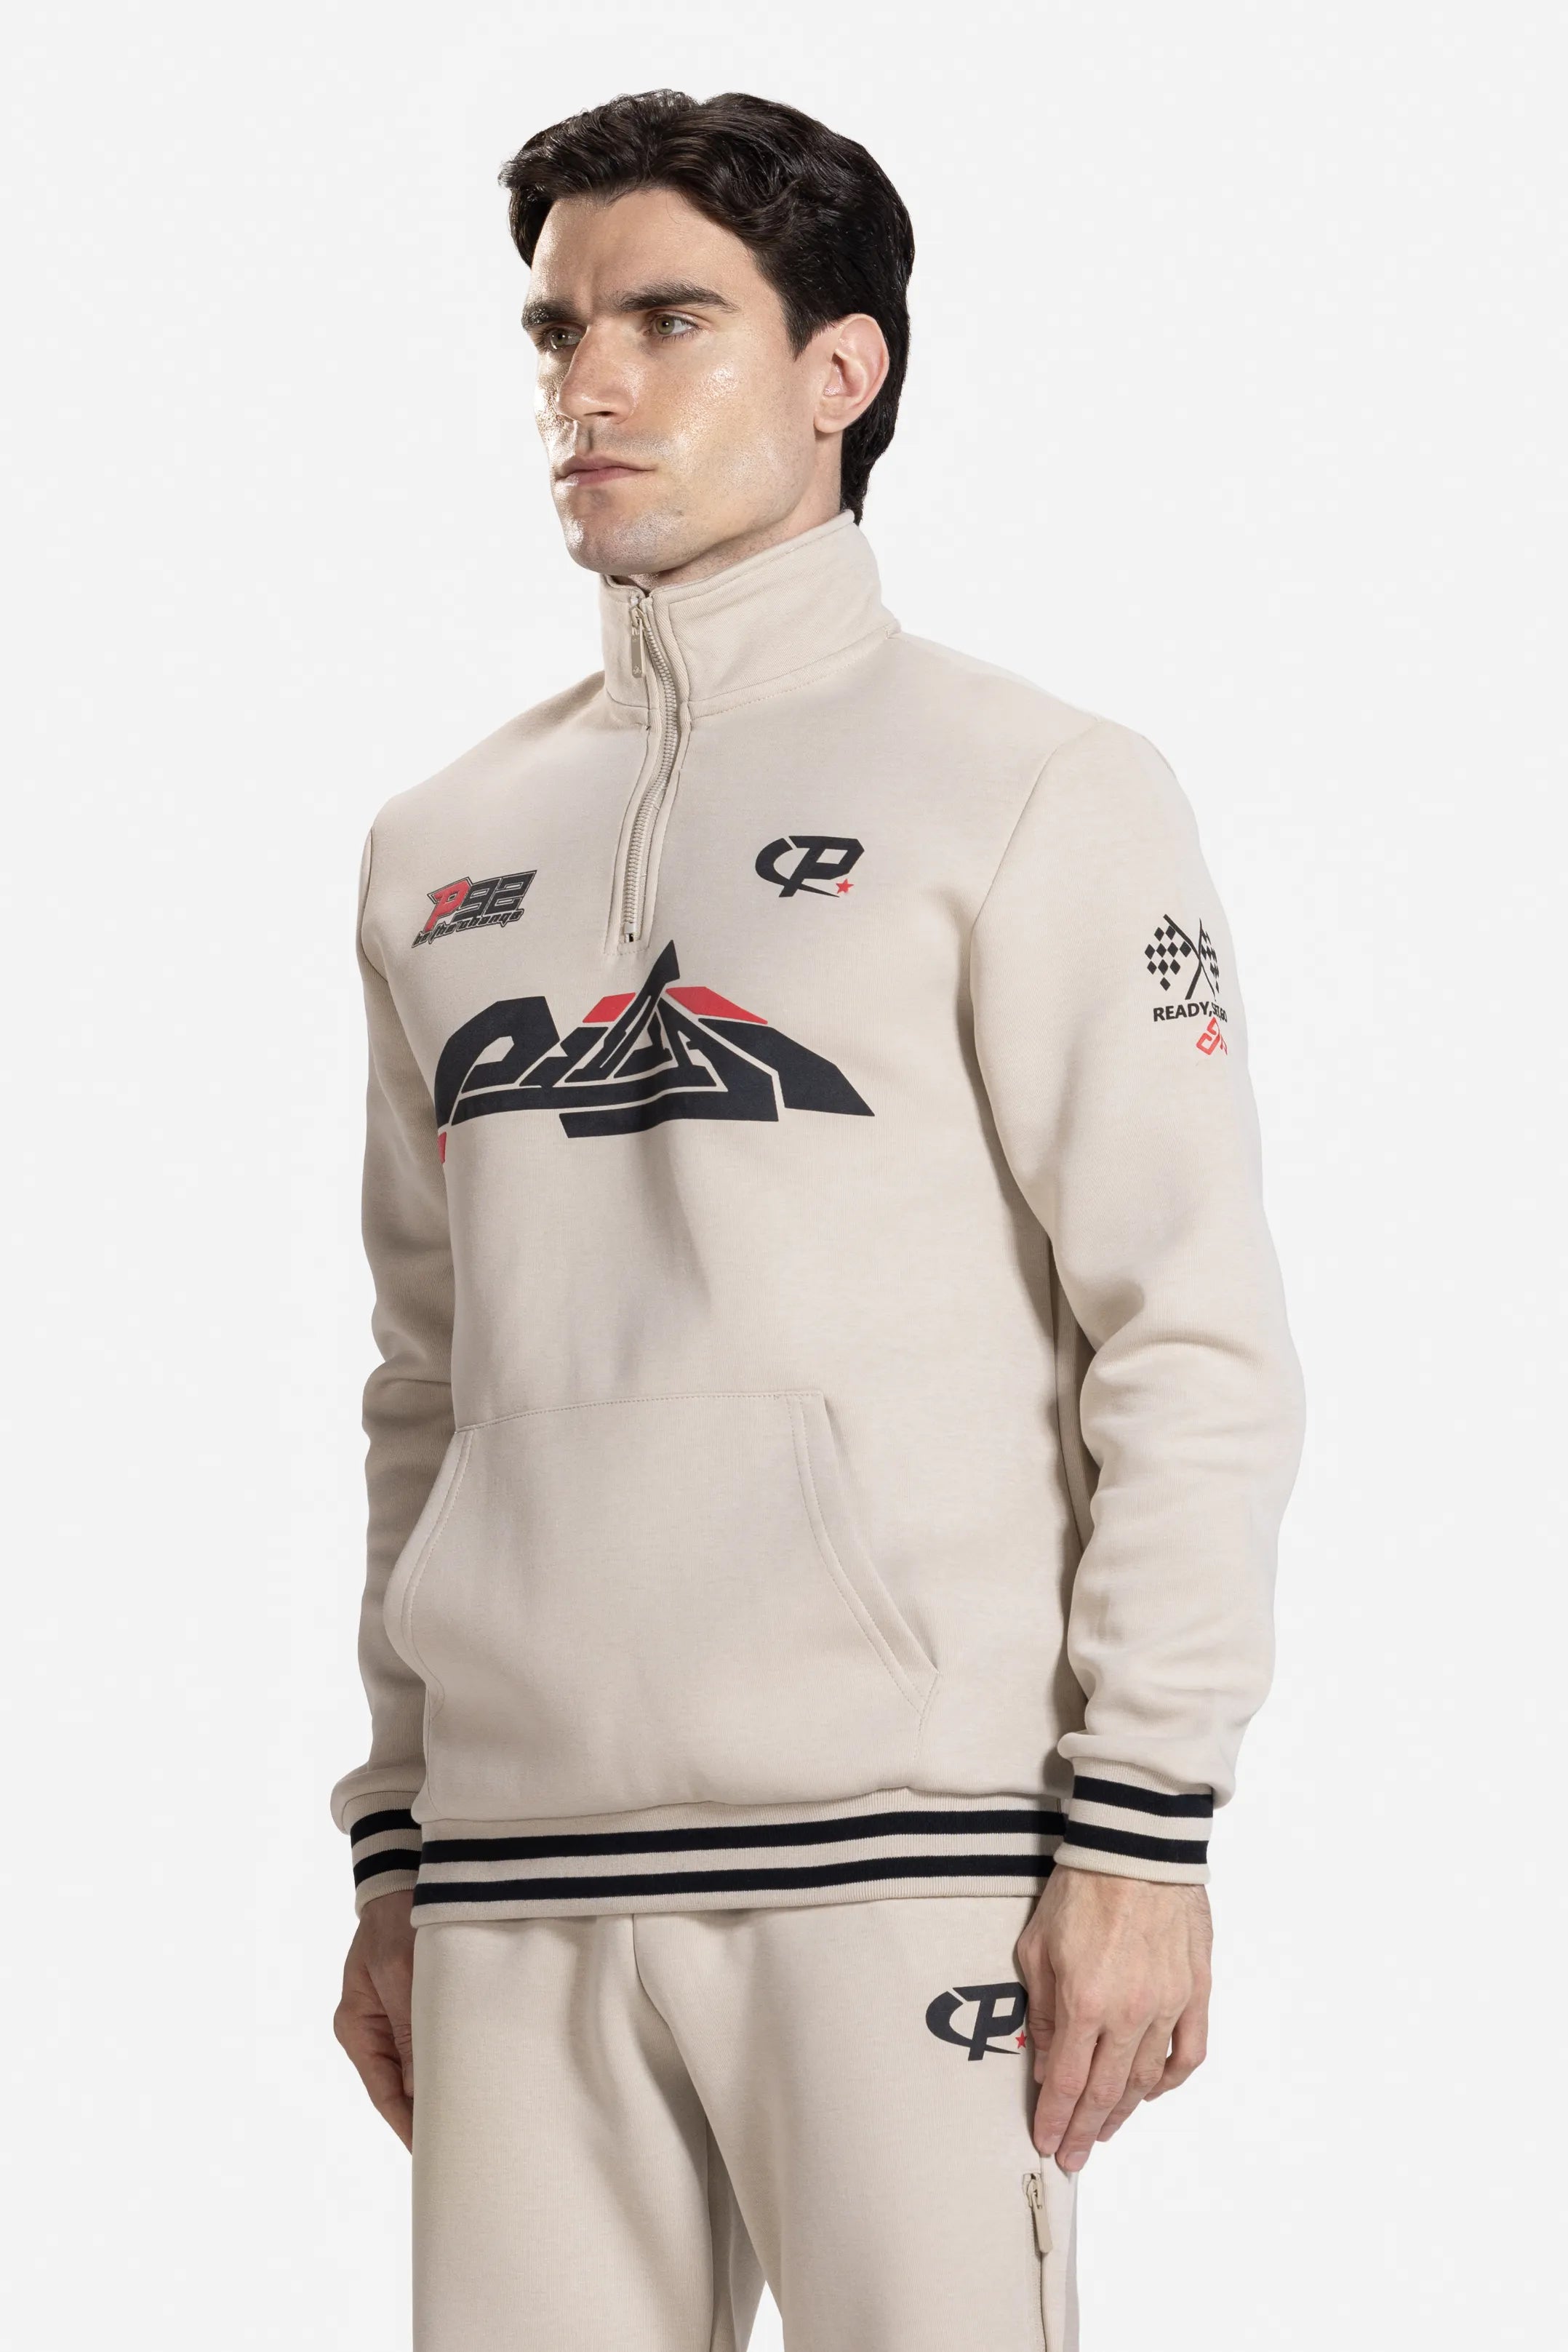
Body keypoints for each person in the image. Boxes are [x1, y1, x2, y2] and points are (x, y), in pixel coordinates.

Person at [329, 87, 1304, 2352]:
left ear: (838, 370)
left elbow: (1185, 1335)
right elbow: (426, 1382)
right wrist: (398, 1835)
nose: (588, 383)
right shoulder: (437, 843)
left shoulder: (1032, 787)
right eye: (556, 327)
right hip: (519, 1867)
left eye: (667, 321)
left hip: (912, 1851)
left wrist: (1140, 1832)